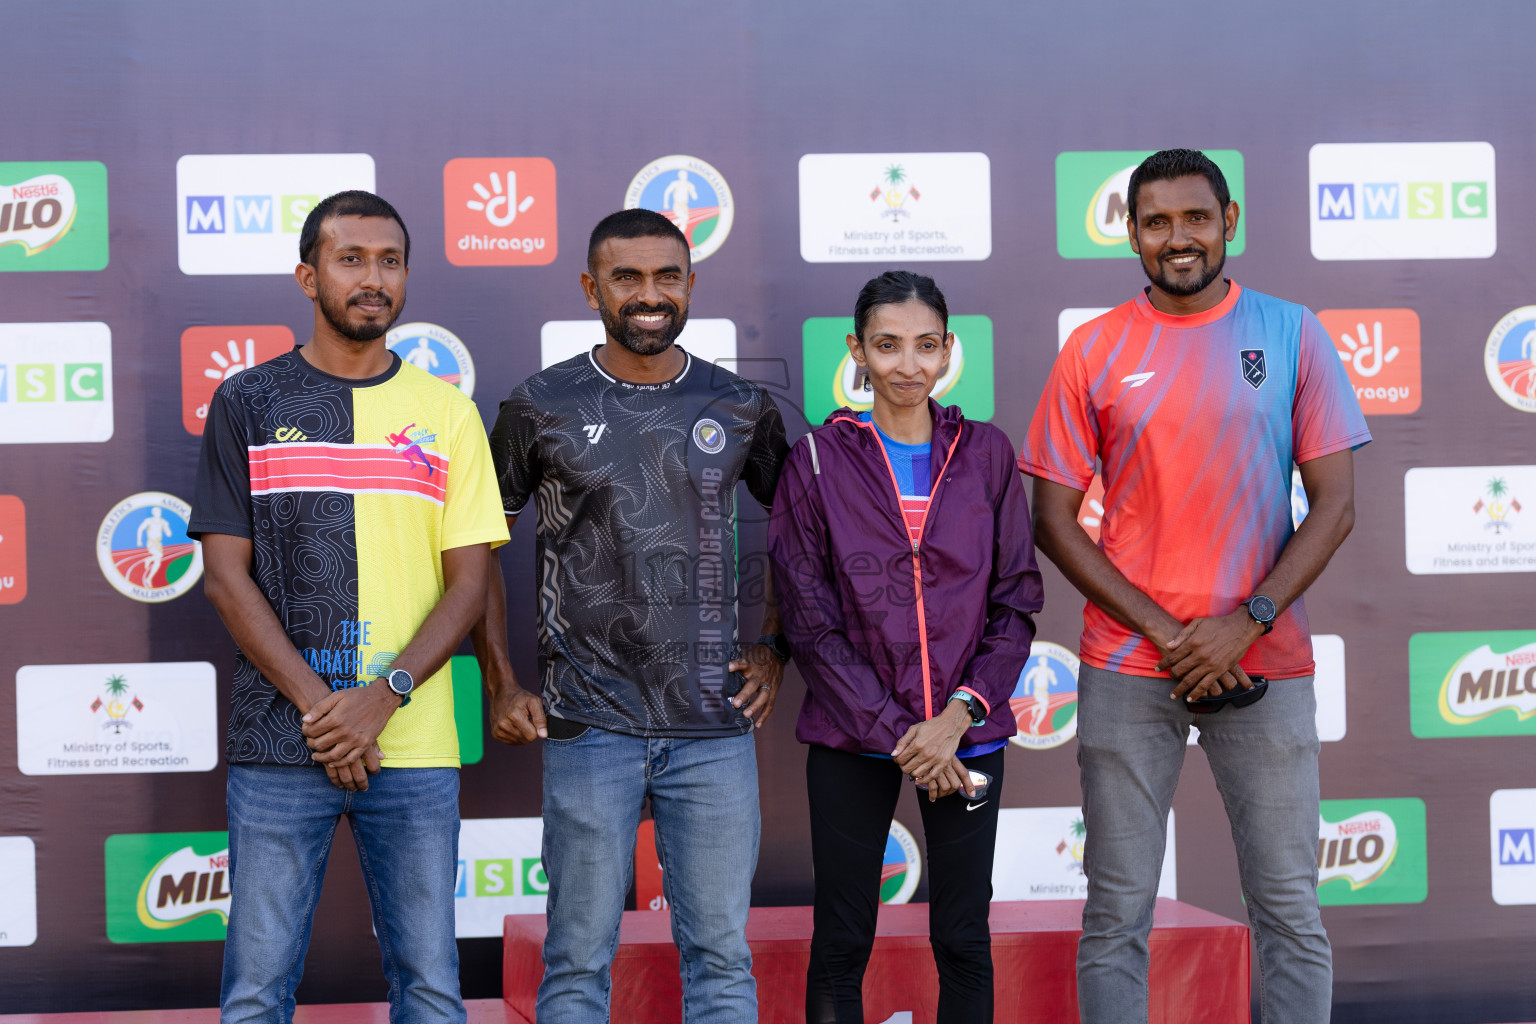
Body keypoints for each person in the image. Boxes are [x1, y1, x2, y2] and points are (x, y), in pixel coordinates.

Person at [1019, 150, 1371, 1024]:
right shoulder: (1093, 349)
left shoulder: (1292, 332)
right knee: (1115, 916)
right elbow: (1053, 521)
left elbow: (1334, 507)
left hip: (1266, 666)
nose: (1178, 238)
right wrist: (1175, 635)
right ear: (1132, 232)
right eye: (1157, 222)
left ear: (1230, 220)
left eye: (1196, 218)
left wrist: (1244, 625)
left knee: (1289, 911)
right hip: (1129, 669)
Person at [191, 190, 510, 1024]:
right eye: (352, 259)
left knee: (432, 988)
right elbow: (226, 577)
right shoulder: (248, 402)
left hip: (413, 740)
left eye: (390, 260)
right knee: (257, 991)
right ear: (308, 276)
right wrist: (324, 710)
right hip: (279, 737)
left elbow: (470, 584)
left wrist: (382, 699)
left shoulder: (447, 412)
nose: (374, 278)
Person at [474, 208, 790, 1023]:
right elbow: (470, 542)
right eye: (627, 278)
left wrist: (774, 648)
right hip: (587, 721)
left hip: (713, 725)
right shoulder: (539, 403)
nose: (649, 296)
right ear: (591, 288)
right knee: (577, 960)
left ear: (691, 284)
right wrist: (501, 680)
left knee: (720, 958)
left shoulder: (740, 401)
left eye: (667, 276)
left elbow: (805, 527)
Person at [768, 271, 1044, 1024]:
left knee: (962, 937)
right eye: (887, 346)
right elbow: (809, 618)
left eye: (925, 346)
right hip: (855, 740)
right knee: (842, 940)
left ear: (949, 349)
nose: (907, 365)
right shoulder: (819, 461)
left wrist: (955, 718)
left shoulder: (985, 454)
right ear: (858, 351)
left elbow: (1017, 599)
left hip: (968, 737)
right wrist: (903, 736)